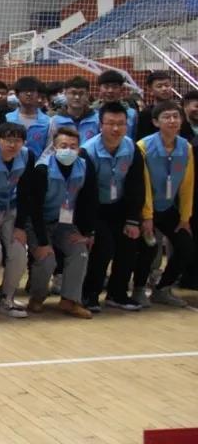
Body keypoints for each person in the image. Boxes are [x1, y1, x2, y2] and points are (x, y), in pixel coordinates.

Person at [80, 102, 147, 312]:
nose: (116, 128)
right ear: (101, 125)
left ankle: (117, 294)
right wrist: (89, 228)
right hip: (94, 208)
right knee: (104, 246)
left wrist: (133, 219)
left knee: (129, 244)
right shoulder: (87, 151)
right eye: (111, 123)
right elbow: (86, 193)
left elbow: (137, 185)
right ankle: (89, 294)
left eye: (121, 123)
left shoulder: (132, 148)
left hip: (119, 206)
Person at [25, 127, 98, 318]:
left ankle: (70, 300)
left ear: (79, 149)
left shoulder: (85, 167)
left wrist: (87, 233)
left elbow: (90, 201)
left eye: (73, 146)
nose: (68, 150)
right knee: (47, 259)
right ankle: (37, 298)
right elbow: (34, 209)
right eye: (63, 146)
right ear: (54, 148)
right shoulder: (42, 169)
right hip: (39, 223)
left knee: (80, 252)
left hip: (65, 223)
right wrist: (42, 243)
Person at [132, 102, 195, 307]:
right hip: (145, 208)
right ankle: (139, 290)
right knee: (149, 248)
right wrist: (147, 217)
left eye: (176, 116)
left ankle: (162, 289)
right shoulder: (143, 146)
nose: (172, 120)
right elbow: (142, 185)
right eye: (166, 117)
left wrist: (184, 218)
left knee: (186, 245)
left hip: (167, 208)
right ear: (155, 122)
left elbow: (187, 185)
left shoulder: (185, 147)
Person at [0, 122, 36, 319]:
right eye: (8, 140)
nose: (12, 145)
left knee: (19, 253)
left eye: (17, 140)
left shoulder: (27, 155)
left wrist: (21, 226)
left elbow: (27, 192)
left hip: (12, 209)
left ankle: (7, 299)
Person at [136, 71, 191, 140]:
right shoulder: (146, 113)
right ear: (150, 90)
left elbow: (187, 136)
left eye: (167, 85)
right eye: (159, 86)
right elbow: (142, 139)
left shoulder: (180, 110)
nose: (164, 89)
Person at [6, 76, 51, 159]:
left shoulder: (48, 122)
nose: (29, 94)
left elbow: (49, 150)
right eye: (25, 91)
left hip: (38, 165)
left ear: (38, 95)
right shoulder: (7, 119)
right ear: (17, 95)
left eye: (32, 91)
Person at [50, 76, 100, 143]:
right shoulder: (55, 121)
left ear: (87, 95)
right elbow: (51, 147)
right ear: (65, 94)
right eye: (73, 93)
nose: (77, 97)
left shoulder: (97, 119)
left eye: (81, 93)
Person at [95, 70, 138, 138]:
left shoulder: (131, 114)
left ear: (121, 89)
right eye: (106, 87)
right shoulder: (92, 113)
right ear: (99, 88)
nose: (110, 91)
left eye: (114, 87)